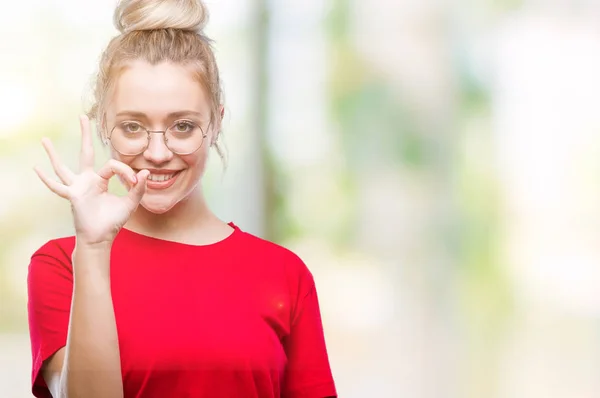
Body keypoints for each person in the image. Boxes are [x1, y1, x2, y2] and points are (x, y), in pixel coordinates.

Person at [26, 1, 337, 397]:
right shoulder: (62, 265)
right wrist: (93, 246)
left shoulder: (285, 275)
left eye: (183, 125)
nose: (158, 153)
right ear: (103, 123)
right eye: (133, 126)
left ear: (217, 122)